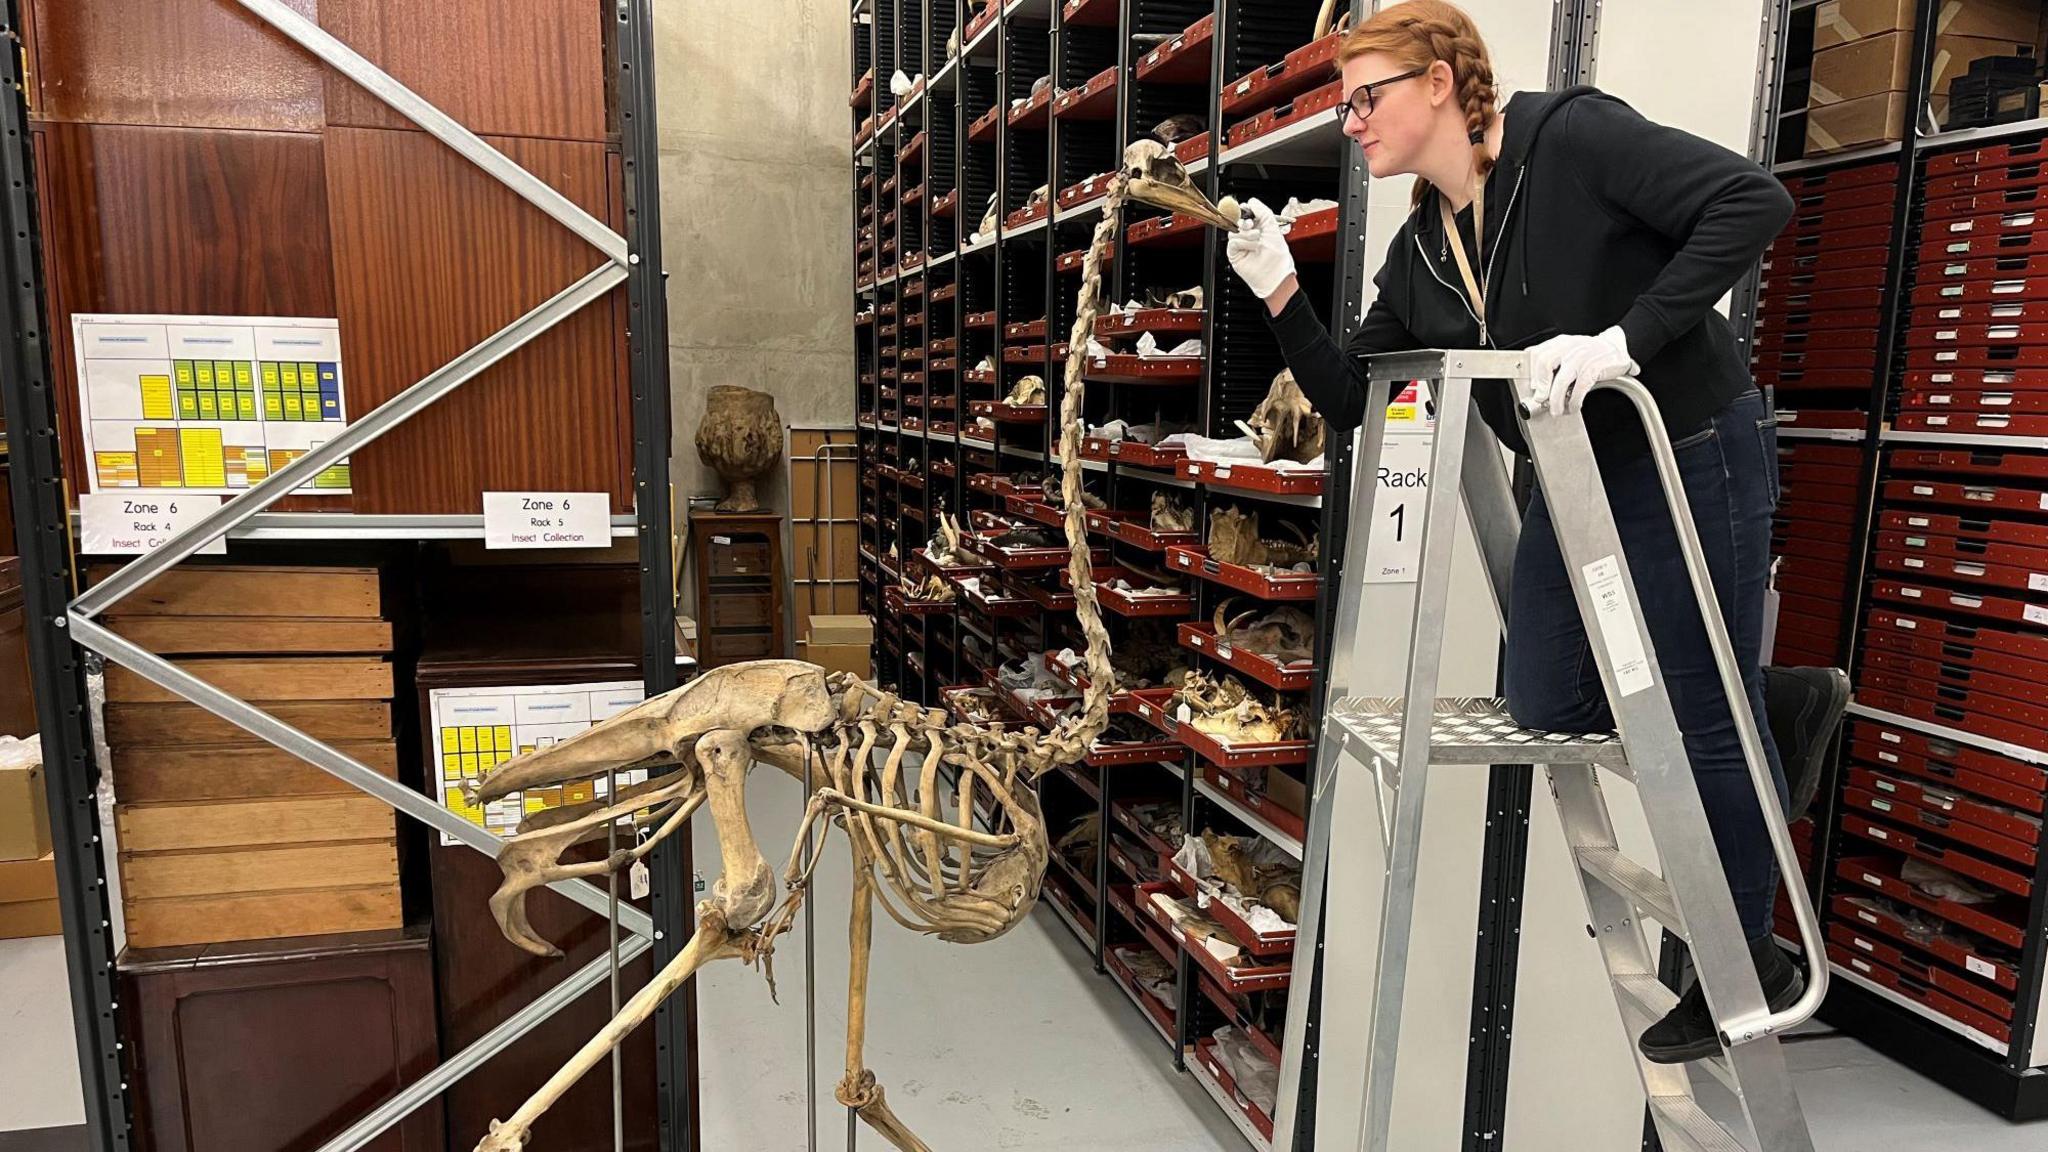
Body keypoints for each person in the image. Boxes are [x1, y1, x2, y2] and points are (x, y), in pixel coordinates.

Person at [1224, 0, 1833, 1065]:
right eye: (1343, 105)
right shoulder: (1419, 251)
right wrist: (1277, 288)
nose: (1351, 122)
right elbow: (1350, 398)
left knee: (1697, 716)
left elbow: (1752, 200)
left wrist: (1624, 338)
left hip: (1688, 444)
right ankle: (1767, 698)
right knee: (1546, 699)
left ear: (1438, 85)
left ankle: (1751, 958)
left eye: (1364, 97)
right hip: (1573, 478)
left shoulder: (1571, 140)